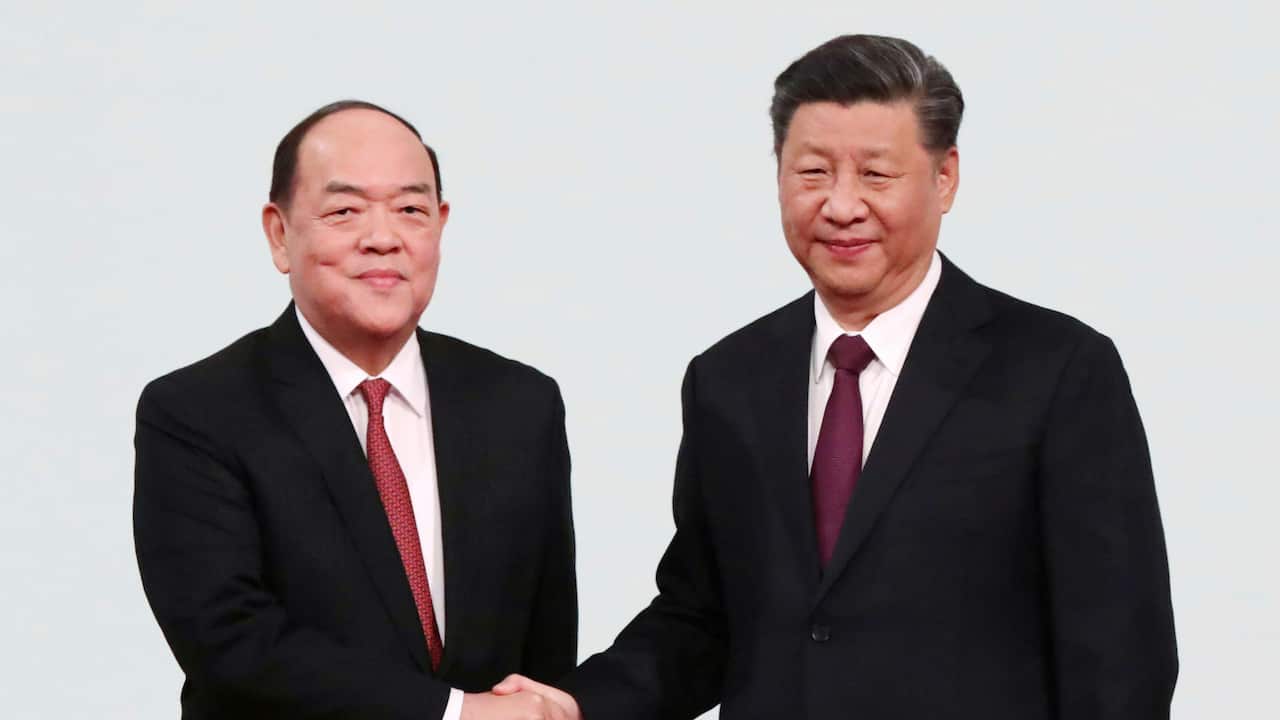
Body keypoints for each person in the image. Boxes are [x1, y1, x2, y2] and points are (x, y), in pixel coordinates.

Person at [497, 34, 1177, 719]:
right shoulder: (729, 379)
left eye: (876, 175)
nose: (842, 206)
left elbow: (1119, 656)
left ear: (946, 178)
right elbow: (702, 621)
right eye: (813, 173)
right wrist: (576, 707)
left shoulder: (1056, 370)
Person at [133, 100, 577, 720]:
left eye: (411, 210)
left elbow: (545, 646)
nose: (383, 237)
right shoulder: (197, 412)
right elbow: (229, 641)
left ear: (441, 227)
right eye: (344, 211)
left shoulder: (519, 403)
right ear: (279, 233)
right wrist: (452, 713)